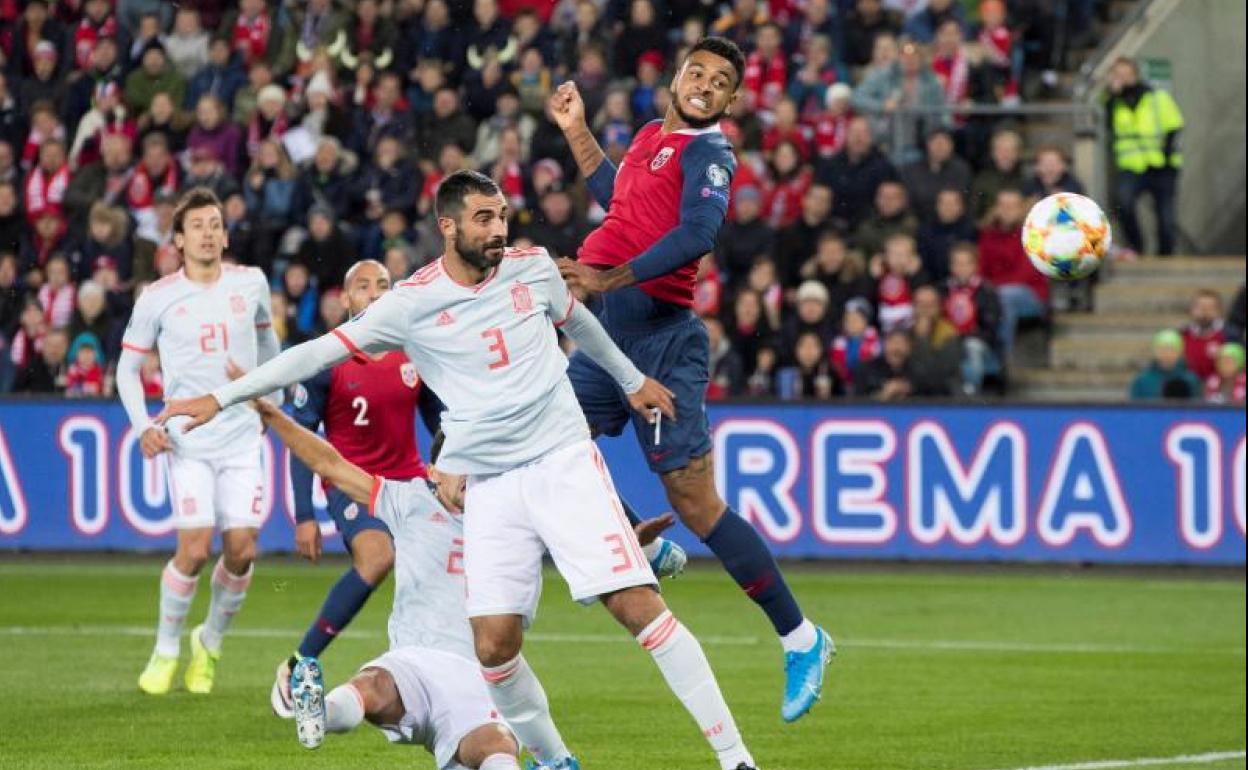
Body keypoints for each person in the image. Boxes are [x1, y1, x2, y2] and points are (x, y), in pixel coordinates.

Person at [160, 171, 761, 770]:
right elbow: (315, 353)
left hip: (560, 459)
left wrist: (631, 382)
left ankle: (735, 758)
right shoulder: (412, 303)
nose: (498, 229)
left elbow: (578, 322)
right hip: (491, 487)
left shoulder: (533, 268)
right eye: (483, 218)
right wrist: (223, 397)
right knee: (494, 648)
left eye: (501, 216)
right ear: (447, 226)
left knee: (635, 606)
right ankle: (555, 760)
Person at [550, 37, 833, 723]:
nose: (705, 84)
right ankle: (642, 542)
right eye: (696, 71)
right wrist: (578, 131)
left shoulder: (712, 153)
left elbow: (697, 234)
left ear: (732, 100)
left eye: (721, 81)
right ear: (676, 77)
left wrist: (605, 277)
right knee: (549, 443)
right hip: (606, 337)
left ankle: (803, 639)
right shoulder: (652, 136)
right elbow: (618, 199)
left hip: (663, 340)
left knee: (698, 501)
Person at [254, 389, 674, 768]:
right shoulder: (408, 501)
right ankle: (320, 715)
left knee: (496, 750)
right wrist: (276, 419)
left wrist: (638, 545)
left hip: (482, 675)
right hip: (414, 661)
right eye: (460, 463)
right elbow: (331, 464)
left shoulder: (513, 515)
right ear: (434, 471)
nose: (470, 473)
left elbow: (586, 529)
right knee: (372, 687)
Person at [116, 187, 282, 696]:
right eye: (198, 227)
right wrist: (144, 425)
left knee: (241, 550)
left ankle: (208, 642)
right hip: (186, 439)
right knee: (192, 548)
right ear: (179, 240)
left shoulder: (251, 282)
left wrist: (267, 392)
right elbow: (126, 367)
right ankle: (166, 651)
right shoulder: (158, 297)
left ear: (225, 235)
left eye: (215, 225)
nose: (209, 234)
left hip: (241, 438)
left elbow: (269, 342)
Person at [269, 259, 445, 718]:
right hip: (353, 485)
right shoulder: (326, 357)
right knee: (378, 557)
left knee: (438, 576)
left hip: (409, 483)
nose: (375, 293)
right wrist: (304, 514)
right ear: (345, 300)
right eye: (363, 286)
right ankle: (297, 665)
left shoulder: (414, 353)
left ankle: (430, 677)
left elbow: (439, 422)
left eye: (383, 285)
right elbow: (303, 439)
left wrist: (448, 465)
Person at [1105, 56, 1183, 256]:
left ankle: (1165, 255)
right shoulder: (1113, 102)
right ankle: (1136, 247)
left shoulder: (1157, 96)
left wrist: (1166, 155)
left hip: (1162, 165)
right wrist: (1113, 97)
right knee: (1124, 202)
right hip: (1132, 166)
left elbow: (1174, 125)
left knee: (1165, 216)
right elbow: (1106, 126)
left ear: (1135, 74)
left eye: (1126, 74)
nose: (1122, 78)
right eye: (1118, 74)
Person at [1129, 329, 1200, 401]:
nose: (1167, 353)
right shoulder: (1142, 380)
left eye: (1172, 349)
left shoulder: (1191, 380)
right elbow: (1134, 408)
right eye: (1162, 349)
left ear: (1180, 352)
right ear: (1155, 351)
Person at [1180, 289, 1226, 381]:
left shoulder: (1229, 336)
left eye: (1210, 308)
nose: (1205, 311)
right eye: (1200, 307)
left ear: (1219, 311)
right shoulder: (1182, 335)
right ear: (1192, 310)